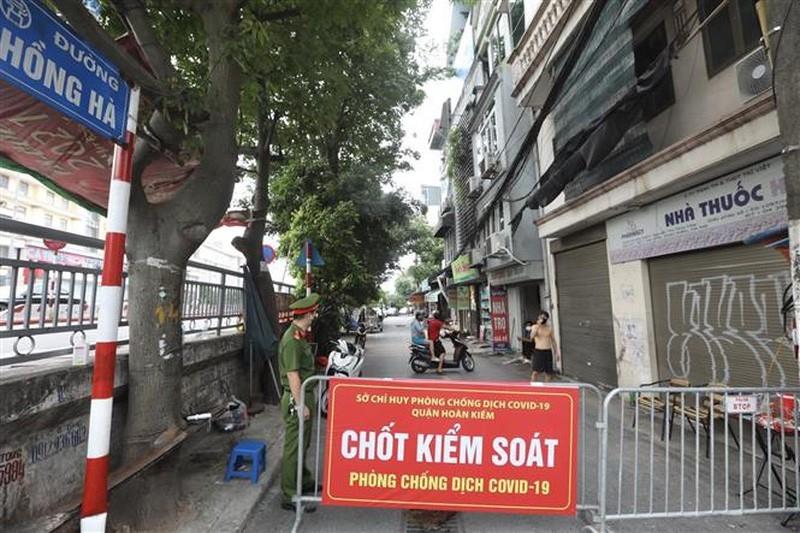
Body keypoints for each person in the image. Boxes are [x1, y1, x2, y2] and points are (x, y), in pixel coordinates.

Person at [279, 293, 321, 512]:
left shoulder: (300, 336)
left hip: (305, 394)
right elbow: (293, 375)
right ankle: (289, 495)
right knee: (294, 447)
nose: (315, 316)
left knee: (303, 443)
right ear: (308, 314)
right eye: (314, 313)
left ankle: (303, 481)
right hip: (297, 397)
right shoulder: (292, 340)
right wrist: (300, 404)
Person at [530, 311, 559, 382]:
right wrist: (538, 326)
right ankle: (533, 387)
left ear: (546, 319)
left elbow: (553, 341)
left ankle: (546, 387)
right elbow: (531, 337)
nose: (542, 319)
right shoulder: (535, 327)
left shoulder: (549, 328)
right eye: (541, 317)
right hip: (538, 351)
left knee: (548, 373)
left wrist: (557, 353)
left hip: (548, 351)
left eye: (544, 317)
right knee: (535, 372)